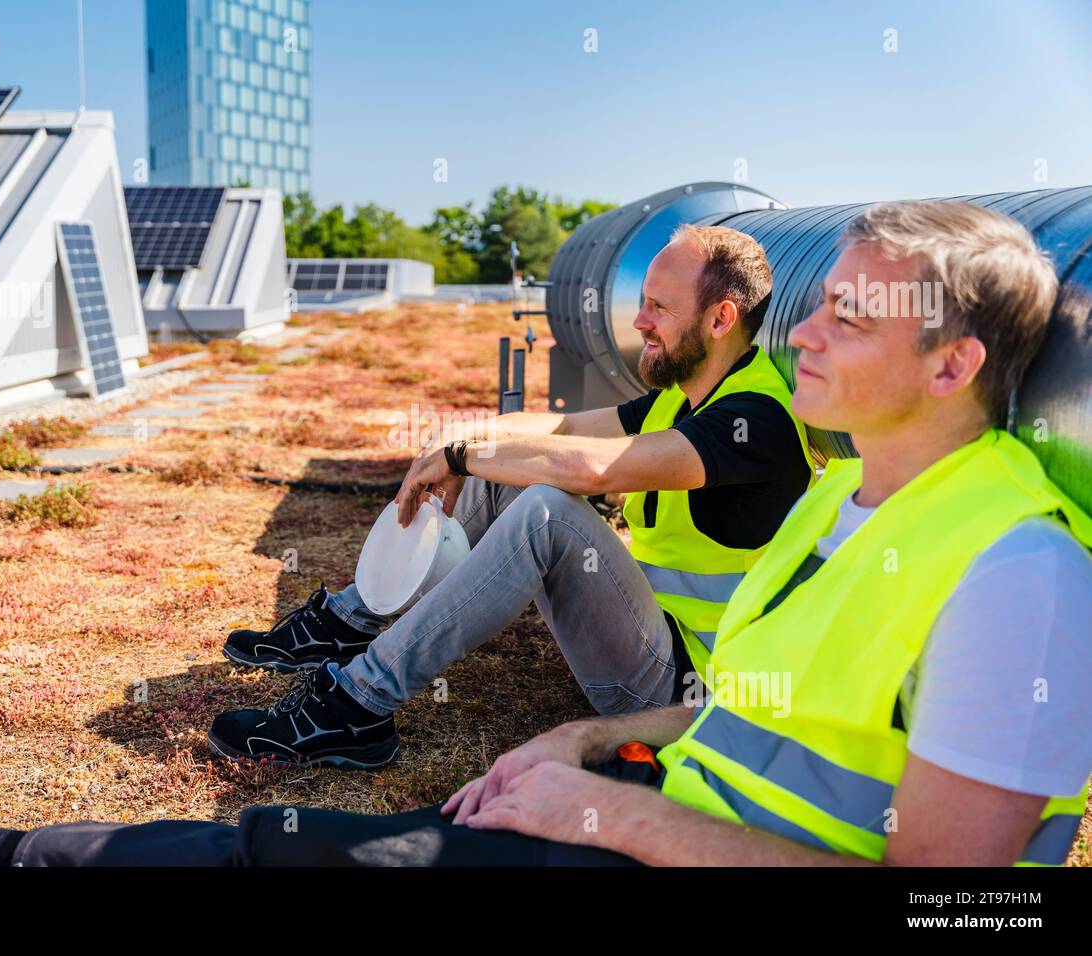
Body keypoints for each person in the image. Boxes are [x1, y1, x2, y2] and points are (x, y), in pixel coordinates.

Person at [0, 200, 1089, 868]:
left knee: (290, 847)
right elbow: (765, 710)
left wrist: (612, 819)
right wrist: (589, 746)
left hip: (660, 835)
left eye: (849, 318)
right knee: (312, 840)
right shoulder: (846, 491)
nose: (809, 330)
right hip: (669, 783)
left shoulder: (1013, 572)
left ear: (950, 363)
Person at [210, 224, 814, 768]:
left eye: (658, 307)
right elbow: (568, 429)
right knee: (503, 470)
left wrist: (464, 456)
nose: (639, 322)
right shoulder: (680, 396)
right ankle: (353, 620)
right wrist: (466, 439)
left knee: (545, 507)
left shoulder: (751, 420)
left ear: (720, 318)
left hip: (679, 685)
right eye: (642, 303)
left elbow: (594, 468)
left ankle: (352, 707)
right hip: (643, 633)